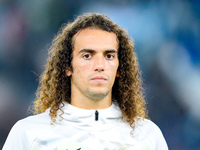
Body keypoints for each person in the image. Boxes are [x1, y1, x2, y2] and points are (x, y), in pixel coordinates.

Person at [3, 13, 168, 150]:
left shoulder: (148, 136)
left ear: (119, 68)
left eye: (109, 56)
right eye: (87, 56)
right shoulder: (28, 134)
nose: (99, 66)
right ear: (68, 66)